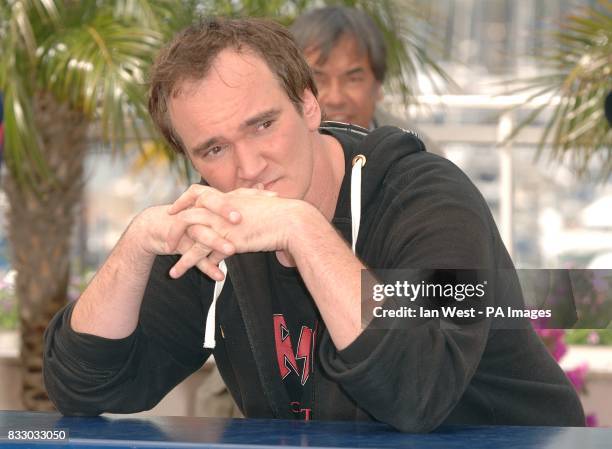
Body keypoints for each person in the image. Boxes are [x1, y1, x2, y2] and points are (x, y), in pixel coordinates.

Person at [43, 17, 584, 432]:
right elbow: (84, 388)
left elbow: (416, 392)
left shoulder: (427, 198)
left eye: (262, 124)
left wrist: (302, 230)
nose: (248, 166)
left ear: (307, 106)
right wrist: (137, 245)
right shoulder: (221, 222)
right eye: (213, 148)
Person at [290, 6, 441, 154]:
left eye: (353, 79)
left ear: (378, 85)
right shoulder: (274, 150)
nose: (335, 99)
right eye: (317, 80)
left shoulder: (417, 155)